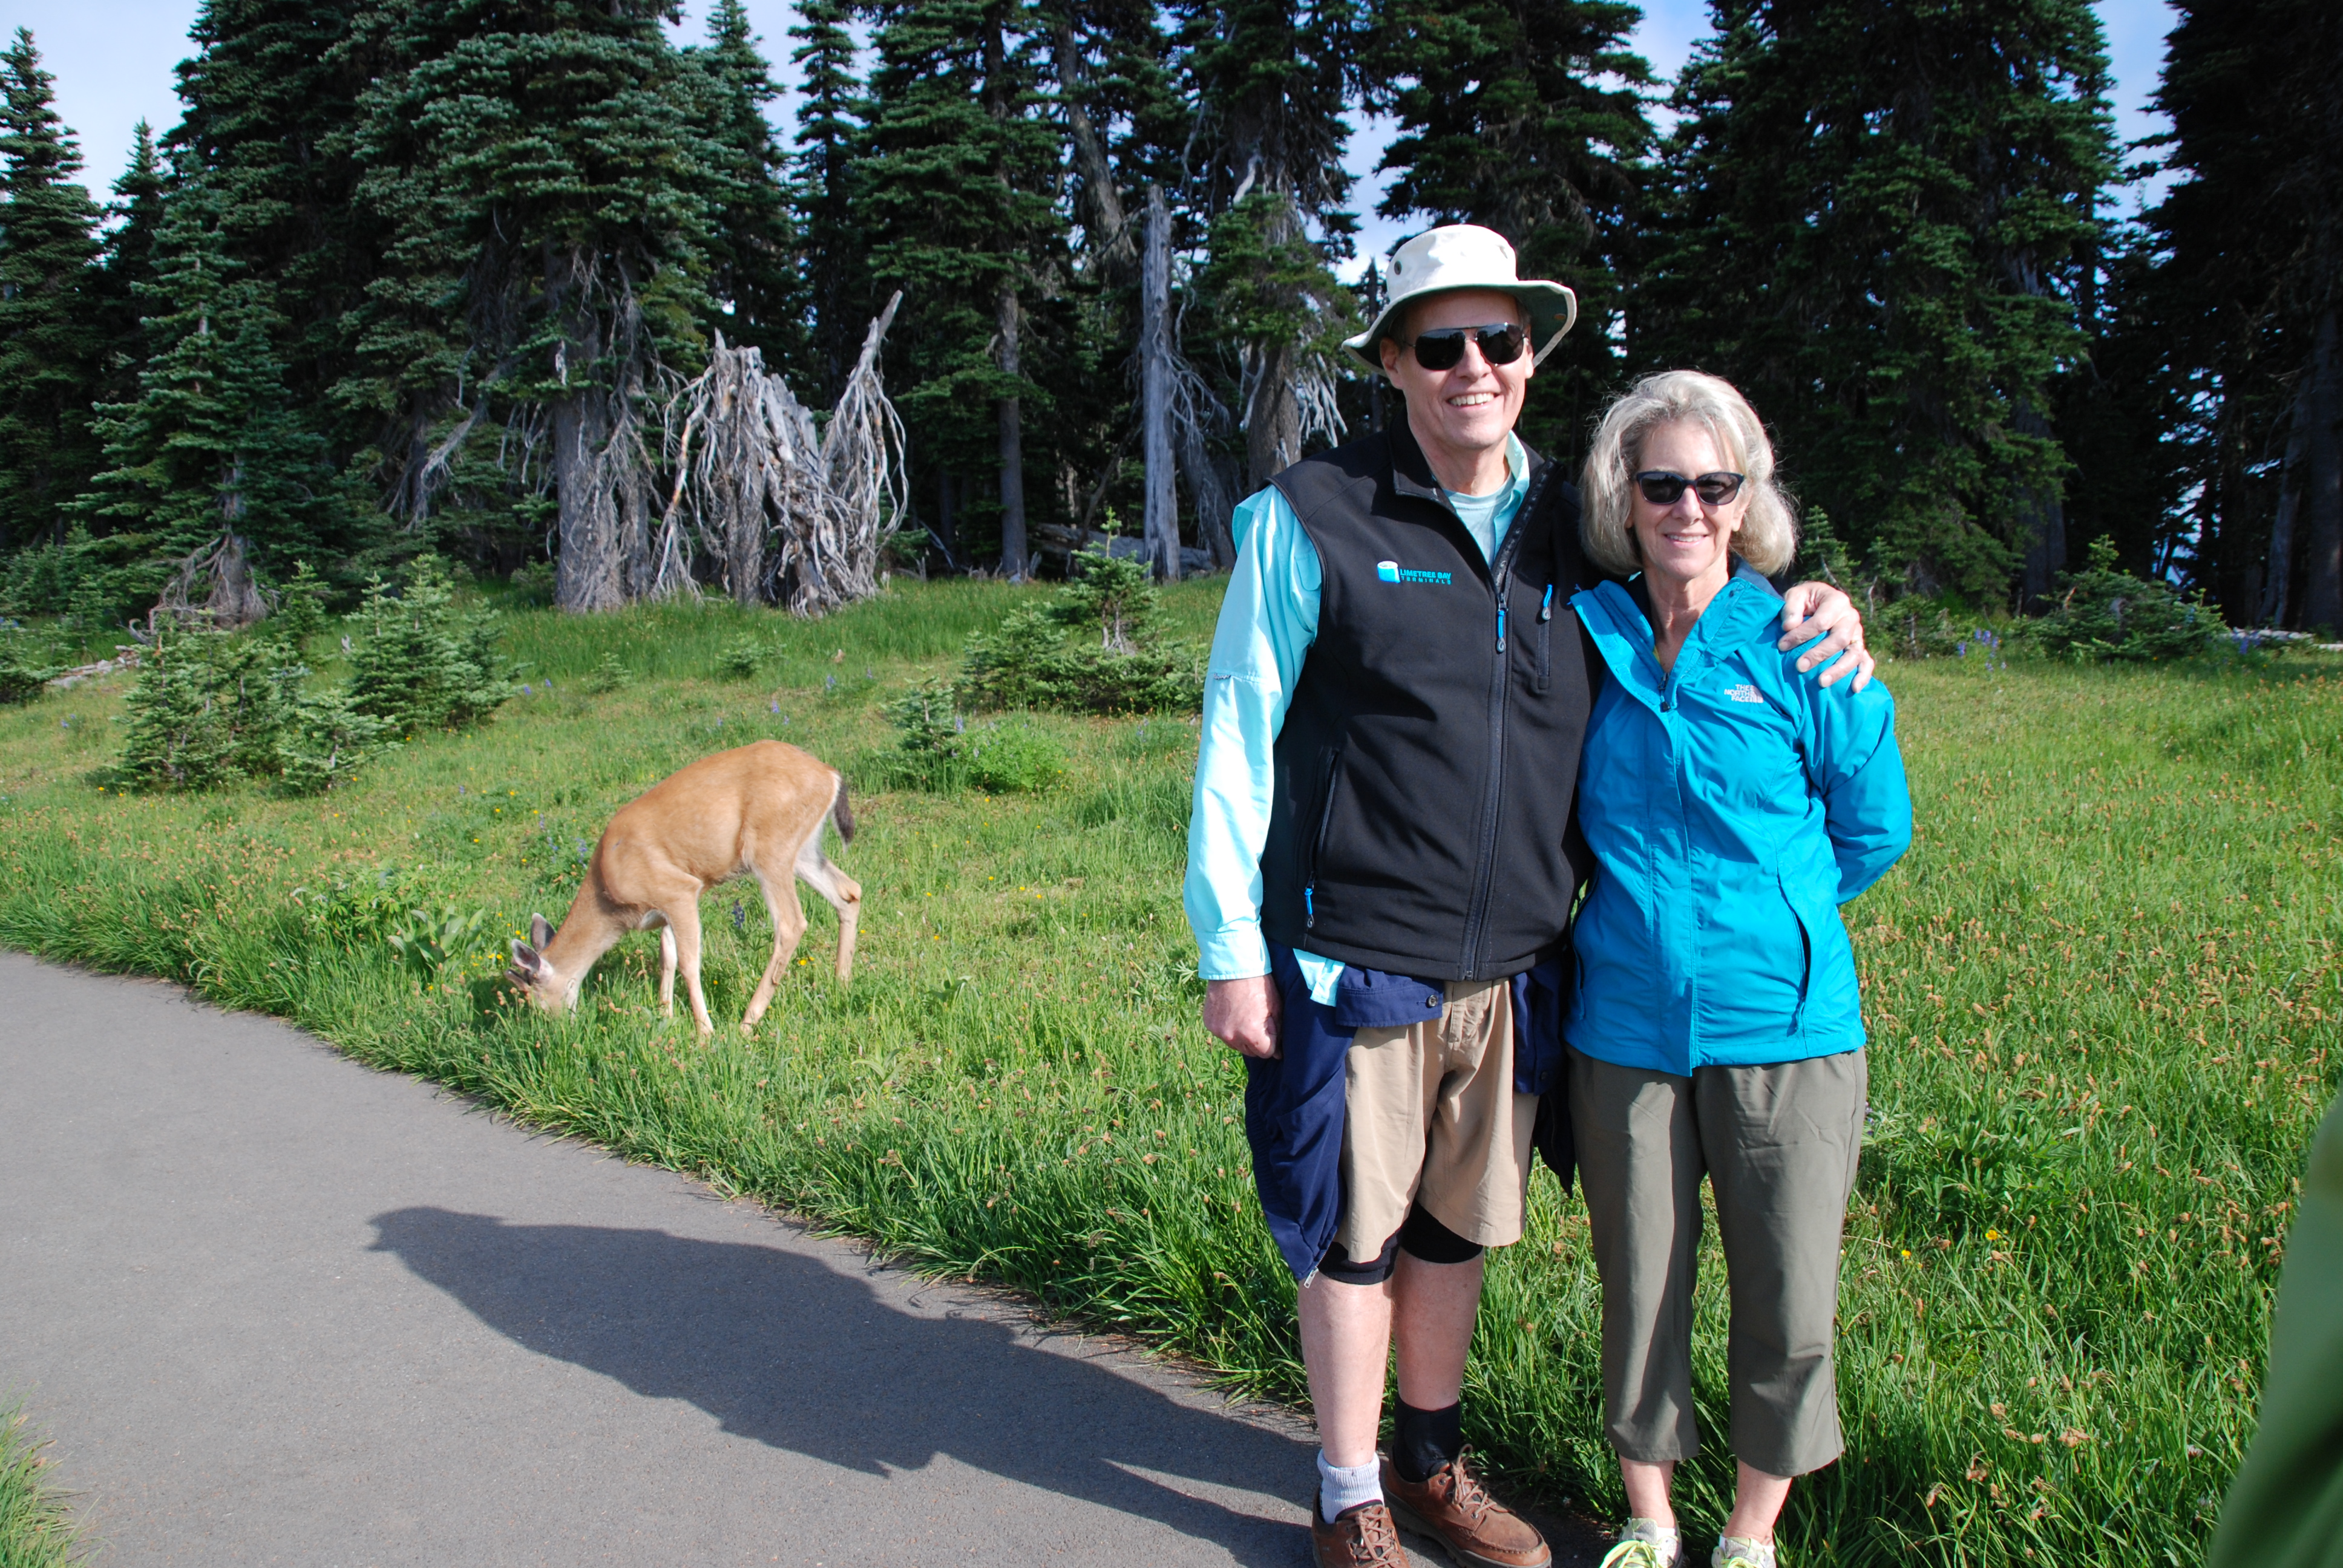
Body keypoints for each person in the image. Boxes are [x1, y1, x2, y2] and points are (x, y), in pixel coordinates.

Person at [1184, 226, 1876, 1568]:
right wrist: (1230, 948)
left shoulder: (1580, 526)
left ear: (1531, 357)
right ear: (1393, 362)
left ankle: (1429, 1464)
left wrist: (1822, 605)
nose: (1472, 368)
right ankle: (1347, 1494)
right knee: (1355, 1235)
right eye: (1438, 343)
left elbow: (1703, 565)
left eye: (1497, 340)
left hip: (1515, 965)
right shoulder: (1312, 515)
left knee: (1456, 1231)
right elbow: (1237, 731)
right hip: (1354, 951)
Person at [1560, 370, 1912, 1568]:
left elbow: (1875, 827)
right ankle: (1649, 1520)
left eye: (1716, 486)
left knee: (1788, 1298)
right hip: (1624, 1027)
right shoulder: (1589, 637)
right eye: (1662, 484)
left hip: (1788, 1030)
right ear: (1623, 496)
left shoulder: (1802, 642)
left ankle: (1750, 1534)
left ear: (1747, 500)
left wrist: (1780, 918)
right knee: (1640, 1288)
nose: (1689, 509)